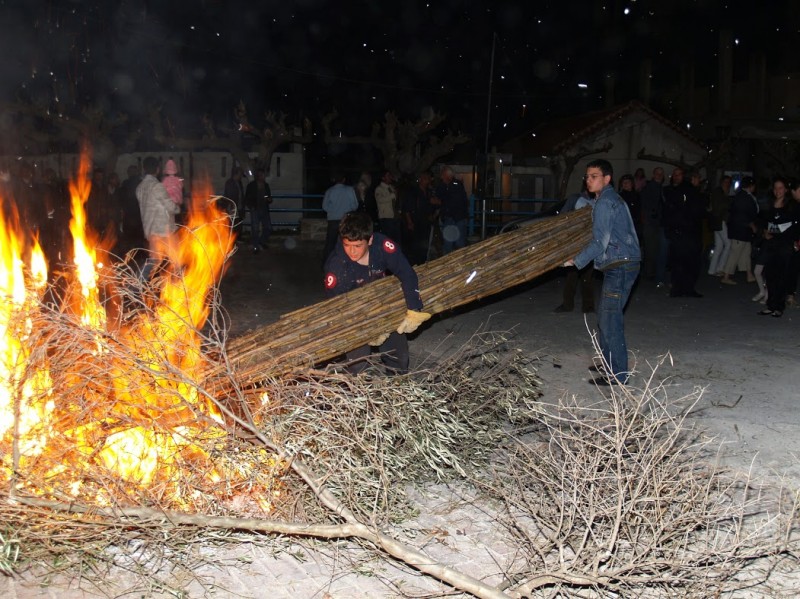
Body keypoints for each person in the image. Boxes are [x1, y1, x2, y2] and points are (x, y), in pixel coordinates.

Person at [563, 159, 641, 386]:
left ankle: (618, 374)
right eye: (587, 176)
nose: (589, 180)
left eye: (594, 176)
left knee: (610, 320)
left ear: (607, 179)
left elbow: (600, 242)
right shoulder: (605, 200)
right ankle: (610, 364)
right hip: (622, 262)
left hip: (620, 264)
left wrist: (574, 261)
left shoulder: (607, 202)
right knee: (606, 318)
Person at [323, 211, 430, 374]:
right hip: (354, 312)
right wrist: (365, 327)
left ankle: (396, 386)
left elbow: (406, 273)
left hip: (383, 302)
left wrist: (414, 308)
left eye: (357, 246)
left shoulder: (382, 246)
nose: (352, 252)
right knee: (358, 364)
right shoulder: (336, 266)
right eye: (347, 245)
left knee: (399, 359)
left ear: (370, 239)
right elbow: (337, 307)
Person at [754, 177, 798, 318]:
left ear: (785, 190)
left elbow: (793, 225)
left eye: (780, 188)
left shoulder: (791, 206)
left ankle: (779, 306)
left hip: (784, 245)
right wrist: (765, 232)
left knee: (781, 276)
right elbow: (765, 222)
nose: (778, 191)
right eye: (775, 188)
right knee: (770, 275)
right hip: (771, 244)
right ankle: (770, 305)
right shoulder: (771, 204)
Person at [662, 167, 706, 298]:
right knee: (685, 262)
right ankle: (682, 288)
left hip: (684, 231)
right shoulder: (684, 191)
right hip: (685, 232)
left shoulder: (684, 191)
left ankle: (681, 288)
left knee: (683, 262)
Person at [136, 156, 180, 282]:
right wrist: (177, 207)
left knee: (155, 260)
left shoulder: (140, 188)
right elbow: (170, 206)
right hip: (164, 229)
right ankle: (179, 287)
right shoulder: (157, 186)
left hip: (150, 229)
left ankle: (136, 284)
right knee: (176, 259)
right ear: (157, 169)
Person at [554, 183, 595, 313]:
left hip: (590, 242)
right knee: (571, 274)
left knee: (587, 275)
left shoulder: (600, 200)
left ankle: (588, 306)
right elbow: (562, 217)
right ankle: (567, 304)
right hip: (574, 241)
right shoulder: (575, 199)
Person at [721, 176, 759, 285]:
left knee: (746, 252)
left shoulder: (742, 196)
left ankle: (749, 274)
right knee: (735, 253)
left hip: (743, 230)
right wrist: (751, 224)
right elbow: (742, 215)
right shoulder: (744, 197)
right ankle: (726, 275)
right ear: (751, 186)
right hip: (740, 230)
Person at [321, 172, 359, 262]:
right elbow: (355, 206)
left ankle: (326, 264)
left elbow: (324, 206)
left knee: (330, 244)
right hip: (346, 220)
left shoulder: (329, 191)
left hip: (333, 220)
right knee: (347, 242)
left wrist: (334, 210)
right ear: (344, 180)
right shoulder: (349, 190)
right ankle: (346, 262)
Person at [401, 171, 436, 265]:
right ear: (420, 180)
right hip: (416, 221)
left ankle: (423, 262)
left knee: (425, 244)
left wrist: (432, 214)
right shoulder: (413, 192)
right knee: (415, 245)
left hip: (426, 222)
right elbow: (407, 208)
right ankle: (414, 264)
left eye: (428, 178)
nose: (427, 180)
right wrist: (409, 222)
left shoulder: (428, 192)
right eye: (425, 178)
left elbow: (430, 205)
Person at [639, 166, 666, 284]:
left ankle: (652, 272)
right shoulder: (649, 188)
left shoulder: (662, 189)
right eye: (657, 173)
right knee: (650, 248)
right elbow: (645, 205)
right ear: (653, 175)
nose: (659, 176)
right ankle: (649, 273)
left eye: (661, 174)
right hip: (650, 223)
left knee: (656, 248)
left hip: (659, 223)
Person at [435, 165, 469, 254]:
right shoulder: (443, 186)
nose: (441, 177)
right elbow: (438, 196)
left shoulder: (456, 185)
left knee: (459, 244)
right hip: (450, 218)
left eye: (442, 174)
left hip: (458, 218)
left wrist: (440, 202)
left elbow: (454, 201)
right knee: (448, 244)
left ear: (447, 175)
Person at [707, 175, 732, 276]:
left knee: (719, 246)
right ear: (722, 182)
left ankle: (712, 270)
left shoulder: (720, 192)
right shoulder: (719, 192)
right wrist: (727, 198)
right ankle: (720, 268)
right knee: (728, 244)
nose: (727, 184)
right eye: (726, 182)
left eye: (728, 182)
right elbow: (719, 207)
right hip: (719, 220)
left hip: (717, 221)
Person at [244, 167, 272, 254]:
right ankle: (256, 247)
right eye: (261, 175)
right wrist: (251, 207)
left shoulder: (266, 185)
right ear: (258, 176)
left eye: (263, 175)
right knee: (255, 229)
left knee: (268, 228)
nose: (263, 177)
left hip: (264, 209)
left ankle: (261, 242)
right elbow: (247, 198)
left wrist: (268, 199)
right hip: (255, 209)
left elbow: (268, 196)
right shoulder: (251, 185)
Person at [374, 170, 401, 243]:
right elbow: (380, 199)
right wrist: (392, 195)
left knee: (396, 239)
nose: (390, 177)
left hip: (394, 216)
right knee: (388, 240)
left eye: (390, 175)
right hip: (386, 217)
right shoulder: (379, 189)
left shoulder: (391, 187)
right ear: (383, 178)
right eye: (388, 175)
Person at [223, 166, 245, 237]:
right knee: (233, 224)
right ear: (236, 174)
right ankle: (232, 239)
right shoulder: (230, 183)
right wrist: (230, 206)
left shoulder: (239, 183)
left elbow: (241, 195)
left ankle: (237, 238)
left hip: (239, 206)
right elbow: (229, 195)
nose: (241, 176)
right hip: (233, 207)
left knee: (238, 223)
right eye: (240, 174)